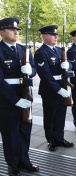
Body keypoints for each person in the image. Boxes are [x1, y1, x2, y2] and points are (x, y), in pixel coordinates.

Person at [0, 17, 39, 175]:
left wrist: (31, 71)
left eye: (17, 30)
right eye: (12, 29)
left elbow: (35, 69)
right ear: (2, 32)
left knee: (25, 130)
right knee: (10, 133)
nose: (16, 32)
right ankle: (13, 163)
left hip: (25, 95)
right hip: (8, 99)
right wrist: (15, 100)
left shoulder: (25, 49)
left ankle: (24, 160)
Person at [34, 25, 74, 152]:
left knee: (60, 115)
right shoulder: (41, 52)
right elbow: (45, 75)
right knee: (50, 115)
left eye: (56, 35)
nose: (56, 37)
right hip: (50, 89)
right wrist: (58, 89)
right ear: (44, 36)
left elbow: (69, 64)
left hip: (61, 86)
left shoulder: (58, 50)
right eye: (52, 35)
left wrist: (68, 65)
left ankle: (60, 138)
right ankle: (51, 140)